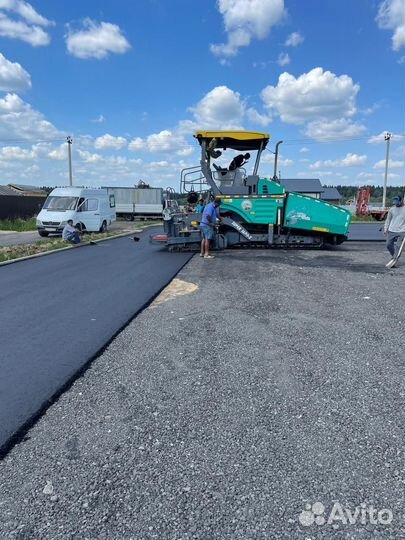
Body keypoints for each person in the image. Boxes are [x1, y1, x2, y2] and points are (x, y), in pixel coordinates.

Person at [384, 195, 405, 268]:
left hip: (402, 231)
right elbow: (388, 219)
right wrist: (385, 228)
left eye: (397, 201)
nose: (396, 203)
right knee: (388, 245)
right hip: (391, 230)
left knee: (398, 246)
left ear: (401, 201)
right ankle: (394, 256)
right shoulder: (392, 209)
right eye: (395, 202)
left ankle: (394, 259)